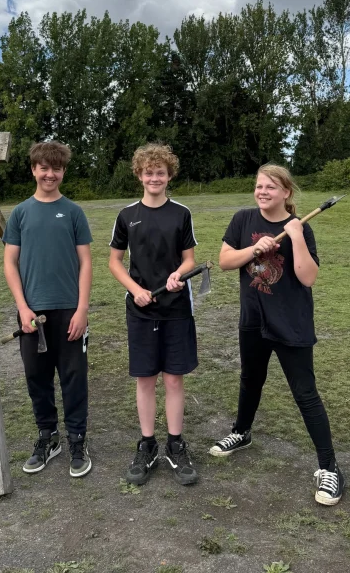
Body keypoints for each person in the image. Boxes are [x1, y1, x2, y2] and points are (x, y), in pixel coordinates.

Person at [209, 164, 344, 506]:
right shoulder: (243, 220)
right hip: (253, 319)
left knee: (305, 393)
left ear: (286, 193)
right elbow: (225, 261)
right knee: (250, 379)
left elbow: (308, 277)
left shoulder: (301, 228)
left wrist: (296, 236)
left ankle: (329, 468)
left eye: (271, 187)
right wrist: (254, 250)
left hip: (290, 322)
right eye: (259, 186)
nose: (263, 191)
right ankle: (241, 432)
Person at [109, 143, 199, 486]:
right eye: (149, 172)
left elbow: (189, 258)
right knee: (145, 379)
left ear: (169, 175)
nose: (155, 177)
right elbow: (114, 261)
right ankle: (147, 444)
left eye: (160, 172)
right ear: (139, 175)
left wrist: (180, 274)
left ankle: (175, 444)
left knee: (174, 379)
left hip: (176, 309)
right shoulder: (126, 215)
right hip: (141, 309)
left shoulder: (181, 213)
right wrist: (134, 289)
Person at [3, 141, 93, 478]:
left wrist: (82, 309)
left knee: (73, 378)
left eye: (56, 168)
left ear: (63, 171)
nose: (49, 174)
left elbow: (86, 262)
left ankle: (77, 440)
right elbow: (10, 263)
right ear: (33, 169)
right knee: (36, 378)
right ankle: (48, 437)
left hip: (69, 310)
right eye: (43, 167)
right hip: (32, 314)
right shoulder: (21, 213)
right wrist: (23, 308)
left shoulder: (73, 212)